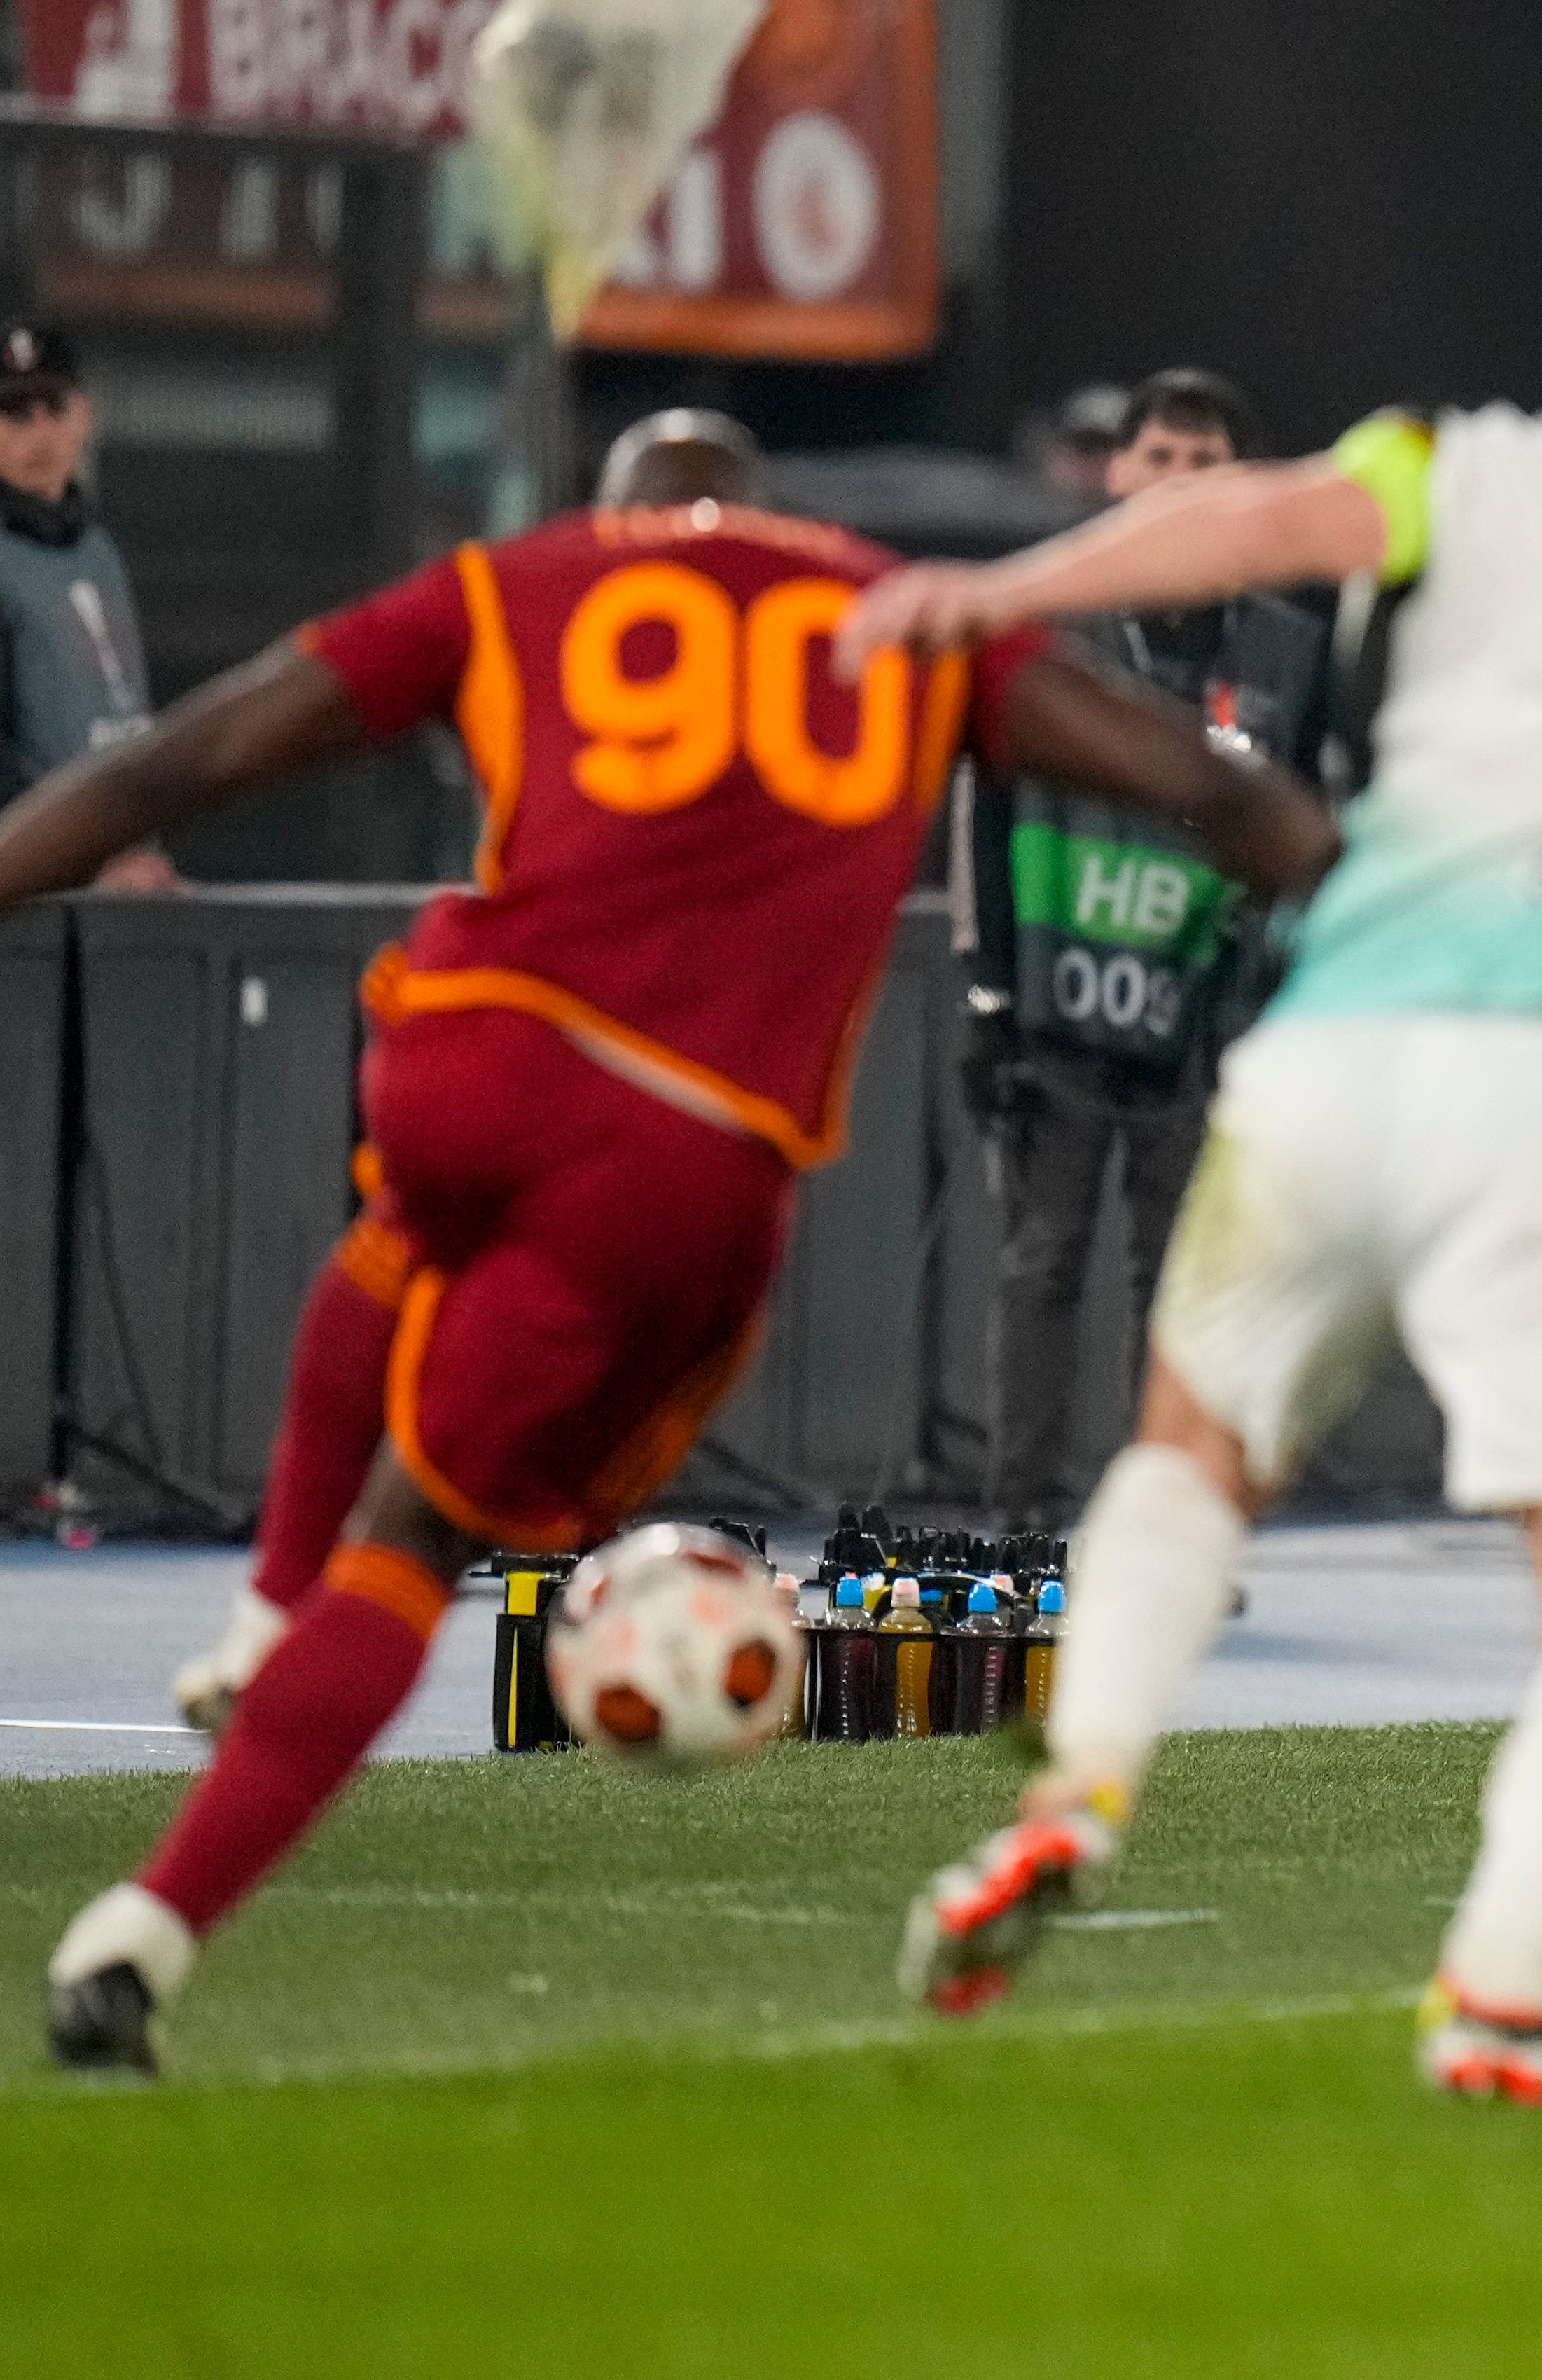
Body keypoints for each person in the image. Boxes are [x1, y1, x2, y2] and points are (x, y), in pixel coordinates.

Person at [842, 167, 1542, 2107]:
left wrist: (998, 592)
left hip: (1331, 1057)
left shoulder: (1469, 465)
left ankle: (1077, 1789)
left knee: (1192, 1449)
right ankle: (1502, 1988)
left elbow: (1242, 516)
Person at [13, 411, 1333, 2077]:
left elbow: (169, 766)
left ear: (609, 507)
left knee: (407, 1233)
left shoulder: (520, 578)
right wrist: (1362, 897)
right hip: (675, 1148)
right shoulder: (891, 608)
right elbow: (1200, 784)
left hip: (472, 1052)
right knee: (417, 1539)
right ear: (766, 512)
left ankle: (270, 1612)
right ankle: (140, 1936)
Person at [961, 368, 1334, 1528]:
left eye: (1204, 461)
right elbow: (987, 802)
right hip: (1058, 993)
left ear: (1244, 480)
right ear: (1117, 472)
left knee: (1189, 1284)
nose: (1179, 480)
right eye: (1161, 457)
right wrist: (986, 986)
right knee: (1042, 1260)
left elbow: (1308, 822)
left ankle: (1164, 1528)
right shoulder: (1049, 627)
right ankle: (1022, 1520)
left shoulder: (1288, 651)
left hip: (1212, 1007)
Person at [0, 319, 173, 891]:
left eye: (54, 407)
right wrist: (79, 859)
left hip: (119, 874)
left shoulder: (98, 550)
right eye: (15, 412)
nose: (40, 432)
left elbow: (122, 716)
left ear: (84, 414)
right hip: (31, 891)